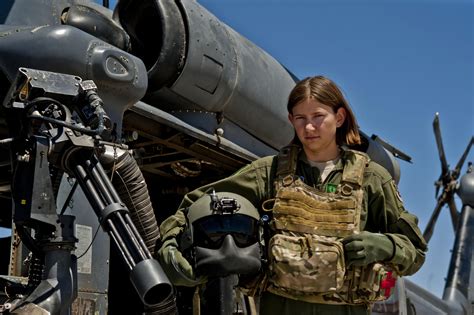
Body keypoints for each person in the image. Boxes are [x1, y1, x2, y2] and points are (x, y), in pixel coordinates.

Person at [157, 75, 427, 314]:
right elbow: (196, 204)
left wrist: (386, 246)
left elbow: (415, 250)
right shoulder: (269, 172)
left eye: (318, 117)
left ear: (340, 117)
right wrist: (172, 253)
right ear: (291, 120)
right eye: (301, 118)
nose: (309, 128)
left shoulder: (372, 179)